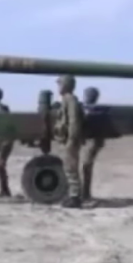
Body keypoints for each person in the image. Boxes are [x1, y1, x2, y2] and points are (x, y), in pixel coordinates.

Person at [55, 75, 84, 209]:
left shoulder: (70, 100)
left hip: (70, 139)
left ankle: (75, 197)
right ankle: (72, 195)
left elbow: (74, 121)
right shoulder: (66, 99)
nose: (58, 87)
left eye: (60, 84)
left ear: (66, 85)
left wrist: (72, 139)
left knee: (71, 168)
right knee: (68, 167)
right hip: (66, 139)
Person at [81, 86, 104, 204]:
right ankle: (85, 193)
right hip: (92, 142)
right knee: (85, 167)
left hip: (92, 142)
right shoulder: (94, 110)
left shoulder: (93, 111)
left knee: (86, 166)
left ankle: (85, 194)